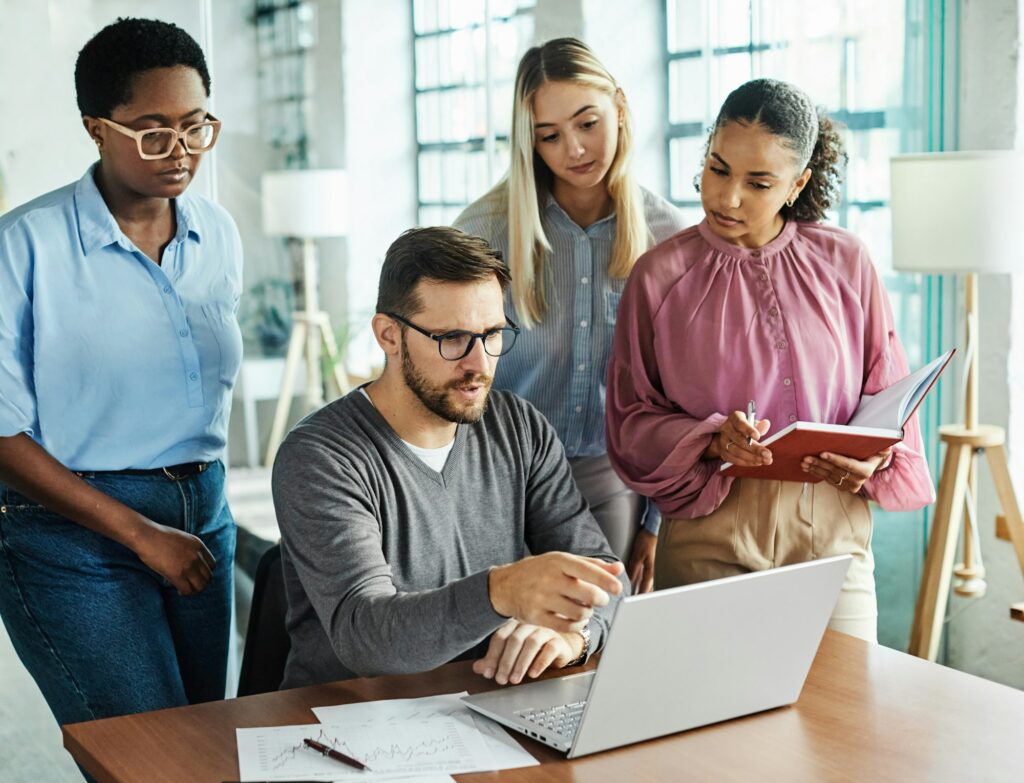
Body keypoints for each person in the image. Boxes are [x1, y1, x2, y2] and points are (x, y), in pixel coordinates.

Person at [605, 78, 935, 642]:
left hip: (833, 539)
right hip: (711, 536)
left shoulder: (847, 262)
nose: (728, 197)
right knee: (715, 724)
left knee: (847, 721)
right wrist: (710, 439)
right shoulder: (658, 276)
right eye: (718, 168)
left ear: (797, 183)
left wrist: (874, 460)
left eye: (758, 182)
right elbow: (630, 420)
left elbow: (889, 397)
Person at [0, 17, 241, 733]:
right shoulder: (25, 246)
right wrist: (139, 533)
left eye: (196, 126)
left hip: (205, 514)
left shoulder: (216, 233)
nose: (180, 151)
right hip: (72, 531)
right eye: (153, 130)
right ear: (96, 128)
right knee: (151, 757)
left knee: (205, 744)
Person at [272, 226, 627, 689]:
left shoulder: (520, 428)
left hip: (484, 704)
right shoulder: (321, 457)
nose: (479, 364)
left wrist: (572, 638)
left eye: (492, 334)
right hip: (350, 721)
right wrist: (501, 592)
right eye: (453, 339)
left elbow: (609, 583)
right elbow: (364, 637)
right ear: (389, 335)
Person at [454, 38, 686, 594]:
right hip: (493, 473)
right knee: (494, 644)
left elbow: (676, 393)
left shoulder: (668, 238)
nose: (575, 150)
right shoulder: (483, 229)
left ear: (621, 109)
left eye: (588, 123)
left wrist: (655, 522)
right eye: (549, 135)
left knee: (592, 638)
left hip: (611, 476)